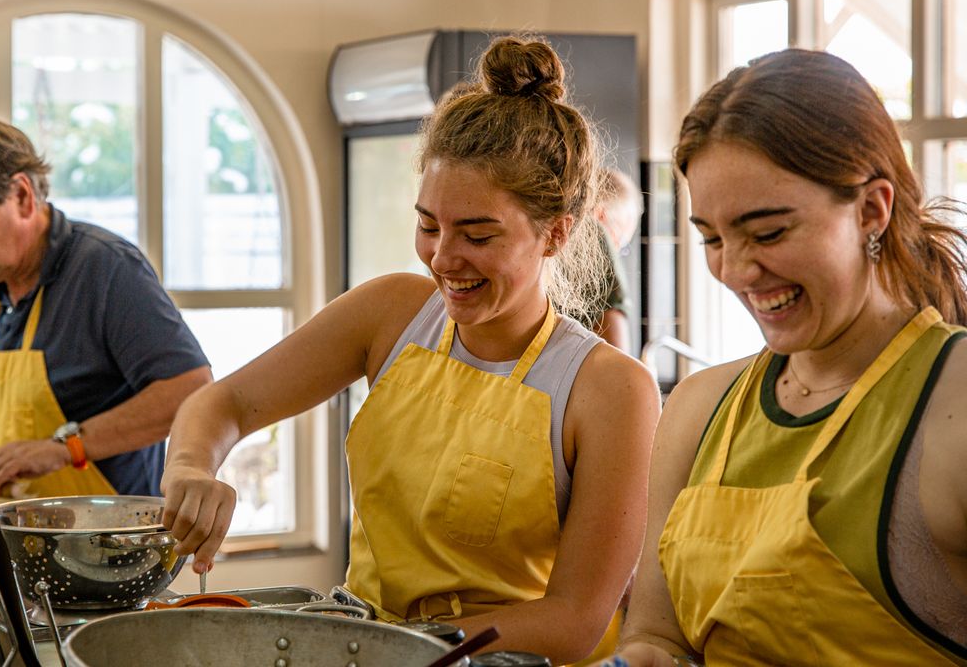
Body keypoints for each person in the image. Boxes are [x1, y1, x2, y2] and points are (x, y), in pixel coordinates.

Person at [159, 37, 660, 664]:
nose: (443, 259)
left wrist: (385, 650)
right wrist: (189, 469)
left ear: (555, 232)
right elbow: (225, 402)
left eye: (478, 235)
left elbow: (572, 622)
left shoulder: (607, 388)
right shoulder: (392, 314)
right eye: (428, 225)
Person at [608, 49, 967, 666]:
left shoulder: (952, 405)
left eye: (769, 232)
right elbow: (656, 638)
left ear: (871, 210)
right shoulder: (700, 409)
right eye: (712, 239)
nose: (737, 270)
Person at [0, 114, 213, 499]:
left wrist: (65, 448)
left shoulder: (106, 270)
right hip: (5, 542)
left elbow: (190, 390)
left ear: (21, 196)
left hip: (105, 546)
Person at [593, 167, 642, 353]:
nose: (616, 253)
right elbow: (617, 356)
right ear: (600, 216)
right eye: (619, 242)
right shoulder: (597, 237)